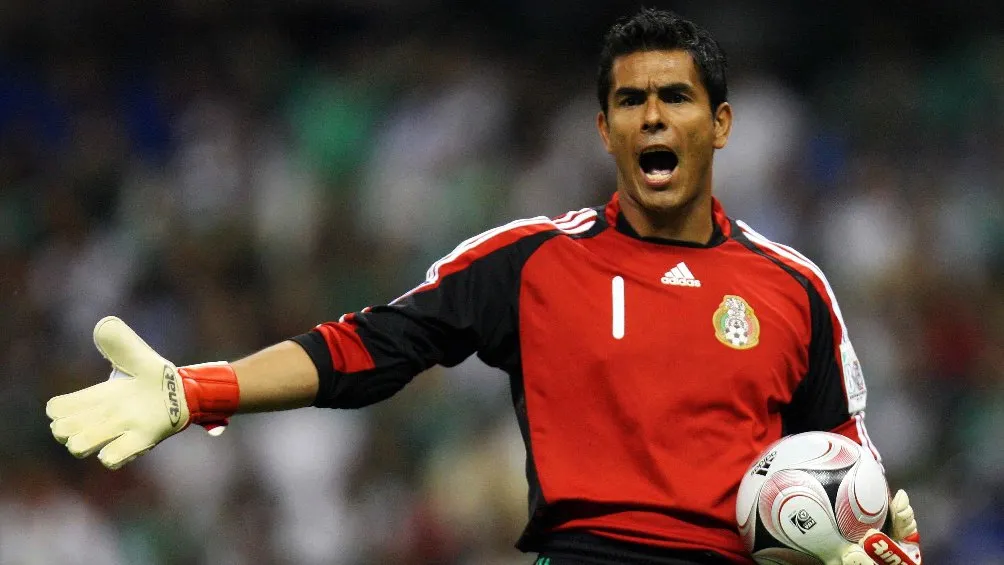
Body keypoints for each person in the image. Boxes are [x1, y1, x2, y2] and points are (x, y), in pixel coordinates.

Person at [46, 8, 922, 565]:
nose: (653, 116)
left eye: (677, 97)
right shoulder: (533, 261)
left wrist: (875, 533)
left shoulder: (792, 288)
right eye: (630, 101)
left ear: (721, 123)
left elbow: (842, 456)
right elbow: (370, 347)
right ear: (605, 129)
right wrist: (197, 387)